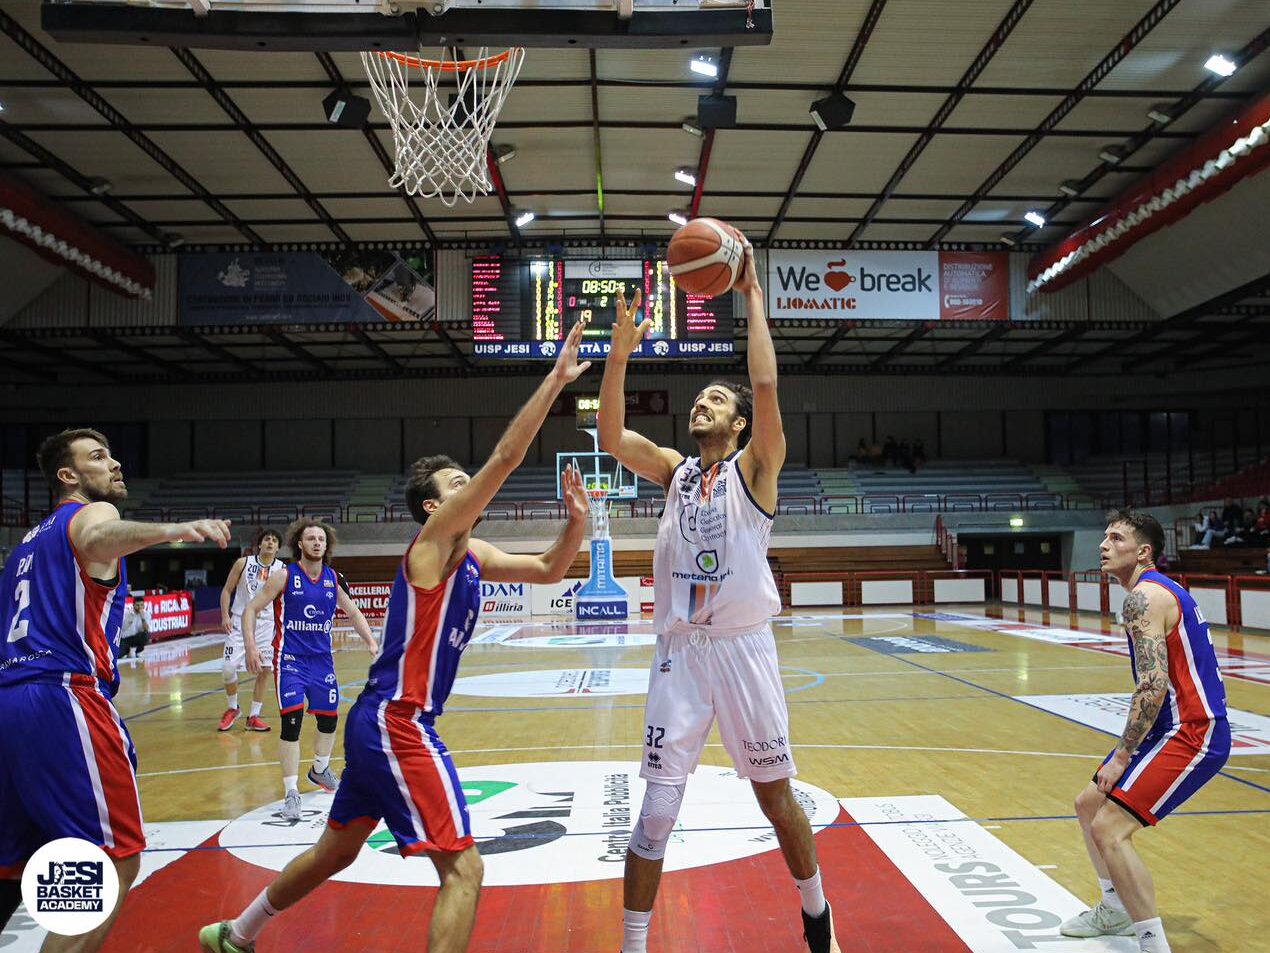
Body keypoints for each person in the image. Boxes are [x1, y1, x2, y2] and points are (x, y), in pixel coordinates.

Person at [199, 318, 594, 953]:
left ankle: (237, 934)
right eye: (458, 485)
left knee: (335, 850)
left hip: (379, 719)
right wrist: (554, 380)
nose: (473, 488)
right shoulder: (432, 548)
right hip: (398, 721)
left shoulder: (473, 553)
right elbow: (507, 458)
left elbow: (550, 569)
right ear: (434, 508)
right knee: (465, 868)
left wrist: (577, 522)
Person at [598, 244, 837, 953]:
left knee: (775, 797)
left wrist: (754, 293)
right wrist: (618, 357)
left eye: (717, 399)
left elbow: (765, 387)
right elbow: (611, 436)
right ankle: (634, 945)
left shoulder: (755, 471)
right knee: (656, 812)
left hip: (743, 650)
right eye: (699, 398)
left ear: (737, 425)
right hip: (680, 655)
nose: (702, 402)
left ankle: (818, 919)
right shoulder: (674, 472)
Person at [0, 428, 231, 951]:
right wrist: (173, 529)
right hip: (61, 696)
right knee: (111, 857)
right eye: (98, 457)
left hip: (10, 701)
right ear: (69, 476)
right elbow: (98, 537)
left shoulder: (24, 548)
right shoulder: (89, 515)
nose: (116, 464)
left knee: (16, 866)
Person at [1062, 510, 1229, 952]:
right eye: (1103, 536)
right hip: (1167, 728)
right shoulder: (1156, 592)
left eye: (1116, 538)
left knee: (1109, 828)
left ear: (1143, 552)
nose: (1103, 545)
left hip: (1193, 730)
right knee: (1088, 804)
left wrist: (1121, 756)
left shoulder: (1144, 597)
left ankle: (1152, 945)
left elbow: (1152, 687)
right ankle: (1115, 910)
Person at [240, 518, 377, 821]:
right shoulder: (283, 576)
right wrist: (251, 646)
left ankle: (320, 769)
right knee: (292, 721)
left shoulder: (333, 579)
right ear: (299, 544)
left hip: (322, 661)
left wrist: (371, 642)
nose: (316, 542)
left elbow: (353, 612)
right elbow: (251, 609)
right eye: (310, 538)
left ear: (327, 545)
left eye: (321, 539)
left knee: (329, 720)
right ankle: (291, 792)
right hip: (289, 660)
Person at [217, 527, 285, 732]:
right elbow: (227, 590)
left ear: (278, 547)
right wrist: (225, 615)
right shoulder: (243, 563)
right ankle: (232, 708)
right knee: (228, 669)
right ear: (260, 544)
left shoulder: (282, 569)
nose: (270, 542)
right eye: (267, 539)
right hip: (239, 621)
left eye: (274, 540)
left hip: (267, 625)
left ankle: (254, 715)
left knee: (265, 670)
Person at [119, 596, 150, 660]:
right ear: (133, 605)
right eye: (137, 605)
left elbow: (146, 629)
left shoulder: (147, 614)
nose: (140, 607)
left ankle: (139, 651)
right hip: (126, 639)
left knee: (146, 634)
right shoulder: (128, 614)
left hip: (137, 637)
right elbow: (122, 629)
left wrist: (142, 618)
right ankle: (127, 650)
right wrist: (130, 620)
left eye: (141, 605)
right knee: (119, 655)